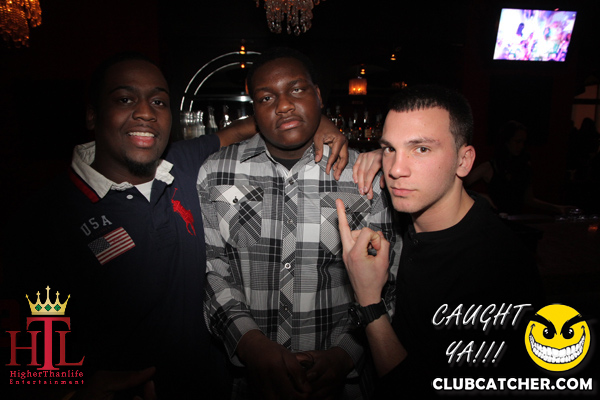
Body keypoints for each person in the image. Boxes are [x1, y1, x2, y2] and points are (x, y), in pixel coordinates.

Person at [1, 52, 349, 400]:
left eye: (158, 101)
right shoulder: (45, 216)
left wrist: (316, 121)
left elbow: (246, 127)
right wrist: (70, 394)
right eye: (124, 99)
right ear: (93, 114)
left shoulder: (183, 162)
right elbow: (29, 331)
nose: (145, 112)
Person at [197, 47, 399, 400]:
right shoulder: (216, 172)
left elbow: (389, 278)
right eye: (266, 97)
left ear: (318, 95)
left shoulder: (364, 176)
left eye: (297, 89)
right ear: (254, 108)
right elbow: (212, 270)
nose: (284, 105)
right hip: (250, 385)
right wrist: (249, 343)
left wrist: (345, 353)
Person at [337, 85, 543, 397]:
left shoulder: (498, 269)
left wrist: (369, 302)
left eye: (421, 149)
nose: (396, 170)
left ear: (464, 161)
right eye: (390, 148)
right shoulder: (419, 214)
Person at [465, 120, 570, 215]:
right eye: (517, 141)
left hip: (517, 221)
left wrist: (557, 208)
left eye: (523, 142)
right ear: (506, 141)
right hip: (496, 221)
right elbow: (459, 186)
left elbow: (529, 199)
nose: (521, 146)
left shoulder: (524, 167)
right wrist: (480, 197)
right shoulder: (489, 167)